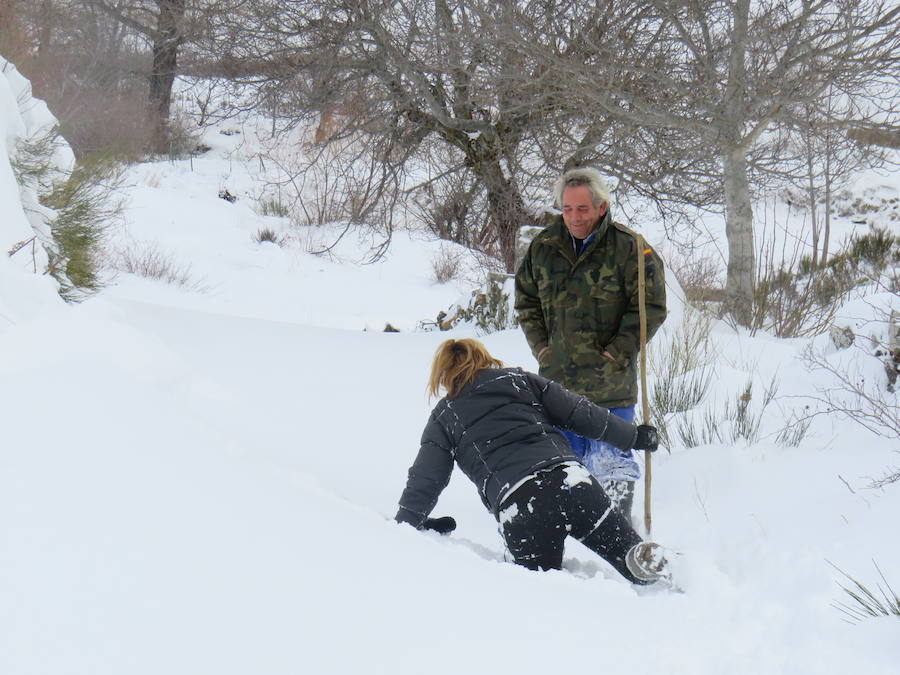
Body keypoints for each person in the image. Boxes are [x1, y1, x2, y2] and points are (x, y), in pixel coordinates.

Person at [395, 338, 669, 584]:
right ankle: (681, 579)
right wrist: (634, 436)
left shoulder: (445, 416)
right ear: (485, 358)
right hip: (573, 481)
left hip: (522, 504)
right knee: (636, 563)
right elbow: (580, 413)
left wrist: (406, 524)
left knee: (540, 595)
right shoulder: (519, 380)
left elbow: (426, 478)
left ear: (443, 375)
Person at [514, 167, 667, 521]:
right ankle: (569, 544)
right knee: (563, 469)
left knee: (612, 467)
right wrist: (542, 348)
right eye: (567, 209)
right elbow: (526, 302)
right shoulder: (544, 247)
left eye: (582, 209)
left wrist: (617, 351)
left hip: (609, 386)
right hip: (557, 387)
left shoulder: (630, 247)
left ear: (601, 207)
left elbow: (650, 308)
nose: (573, 217)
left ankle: (619, 537)